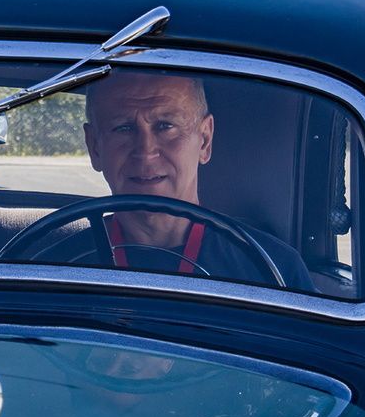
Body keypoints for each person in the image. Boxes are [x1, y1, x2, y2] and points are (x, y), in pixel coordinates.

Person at [67, 68, 312, 289]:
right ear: (94, 146)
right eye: (123, 128)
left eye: (165, 126)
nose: (146, 151)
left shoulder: (272, 270)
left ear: (204, 140)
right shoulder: (60, 266)